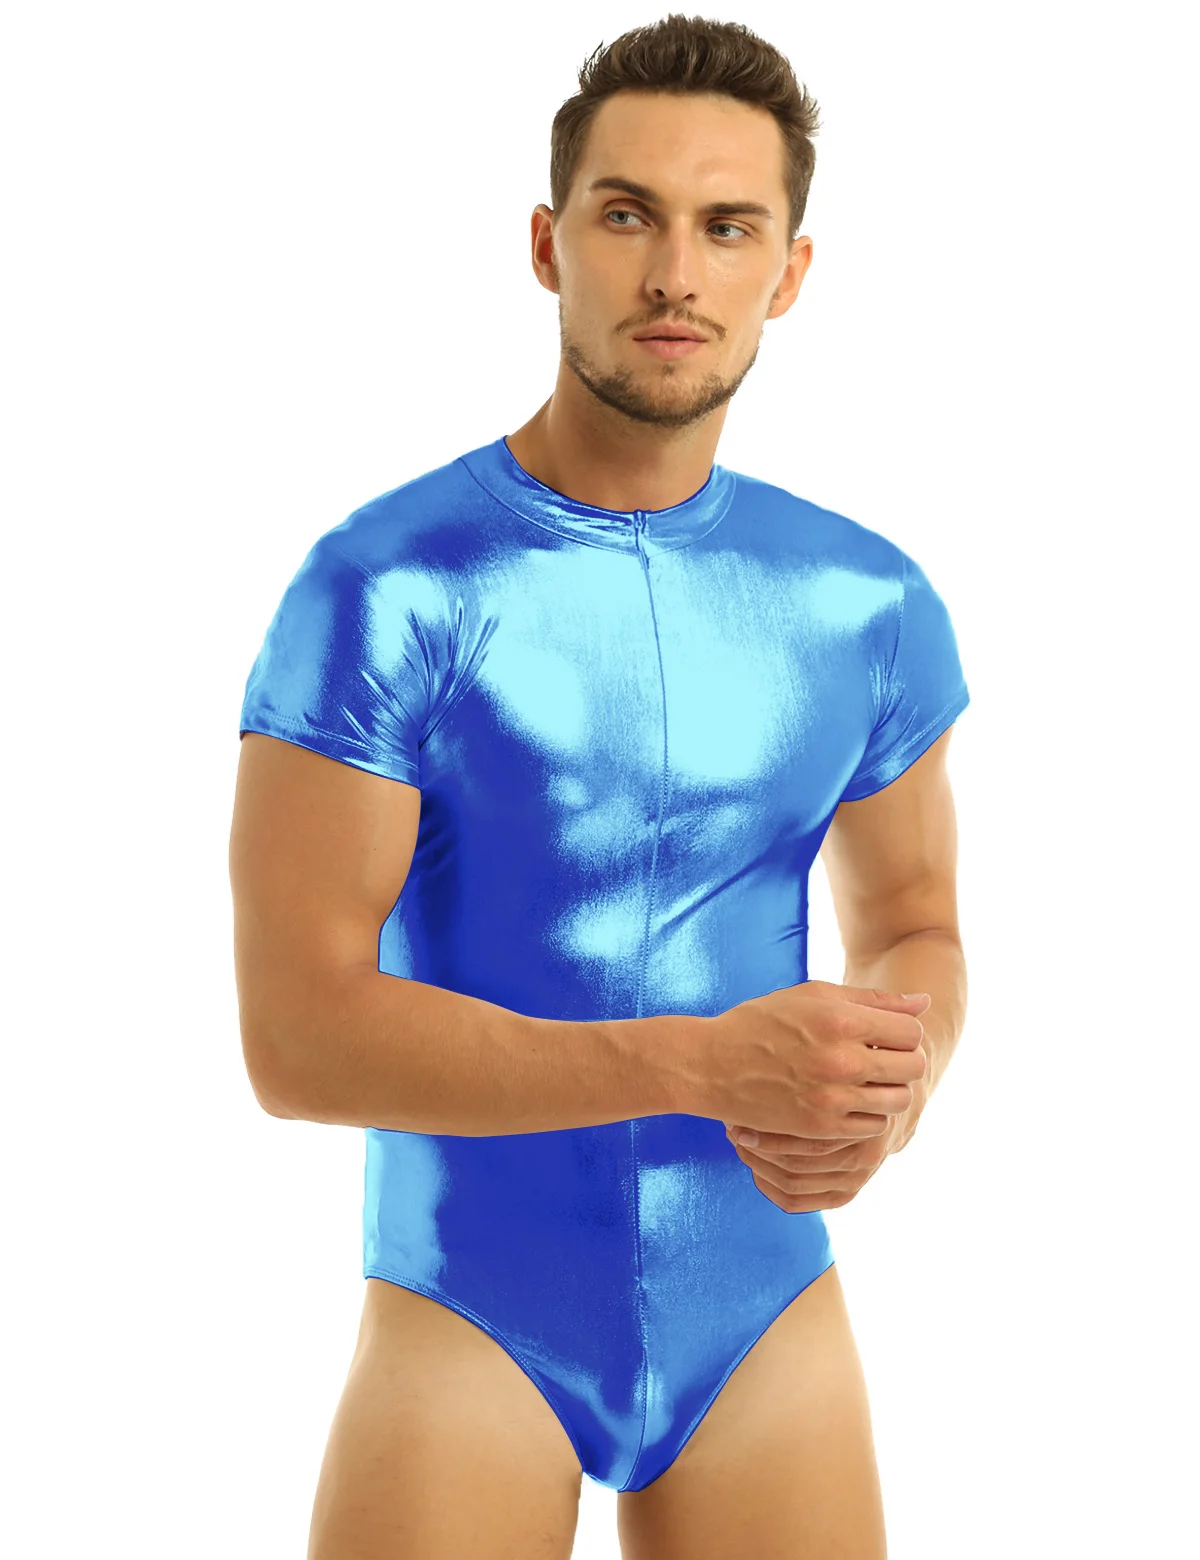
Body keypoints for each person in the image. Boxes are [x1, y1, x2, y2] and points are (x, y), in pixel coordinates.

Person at [229, 15, 970, 1558]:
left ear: (790, 273)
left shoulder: (866, 602)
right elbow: (295, 1037)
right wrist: (707, 1067)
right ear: (547, 245)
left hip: (763, 1311)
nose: (675, 275)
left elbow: (914, 916)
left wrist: (893, 1080)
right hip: (471, 1314)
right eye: (629, 215)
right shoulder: (387, 586)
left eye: (727, 227)